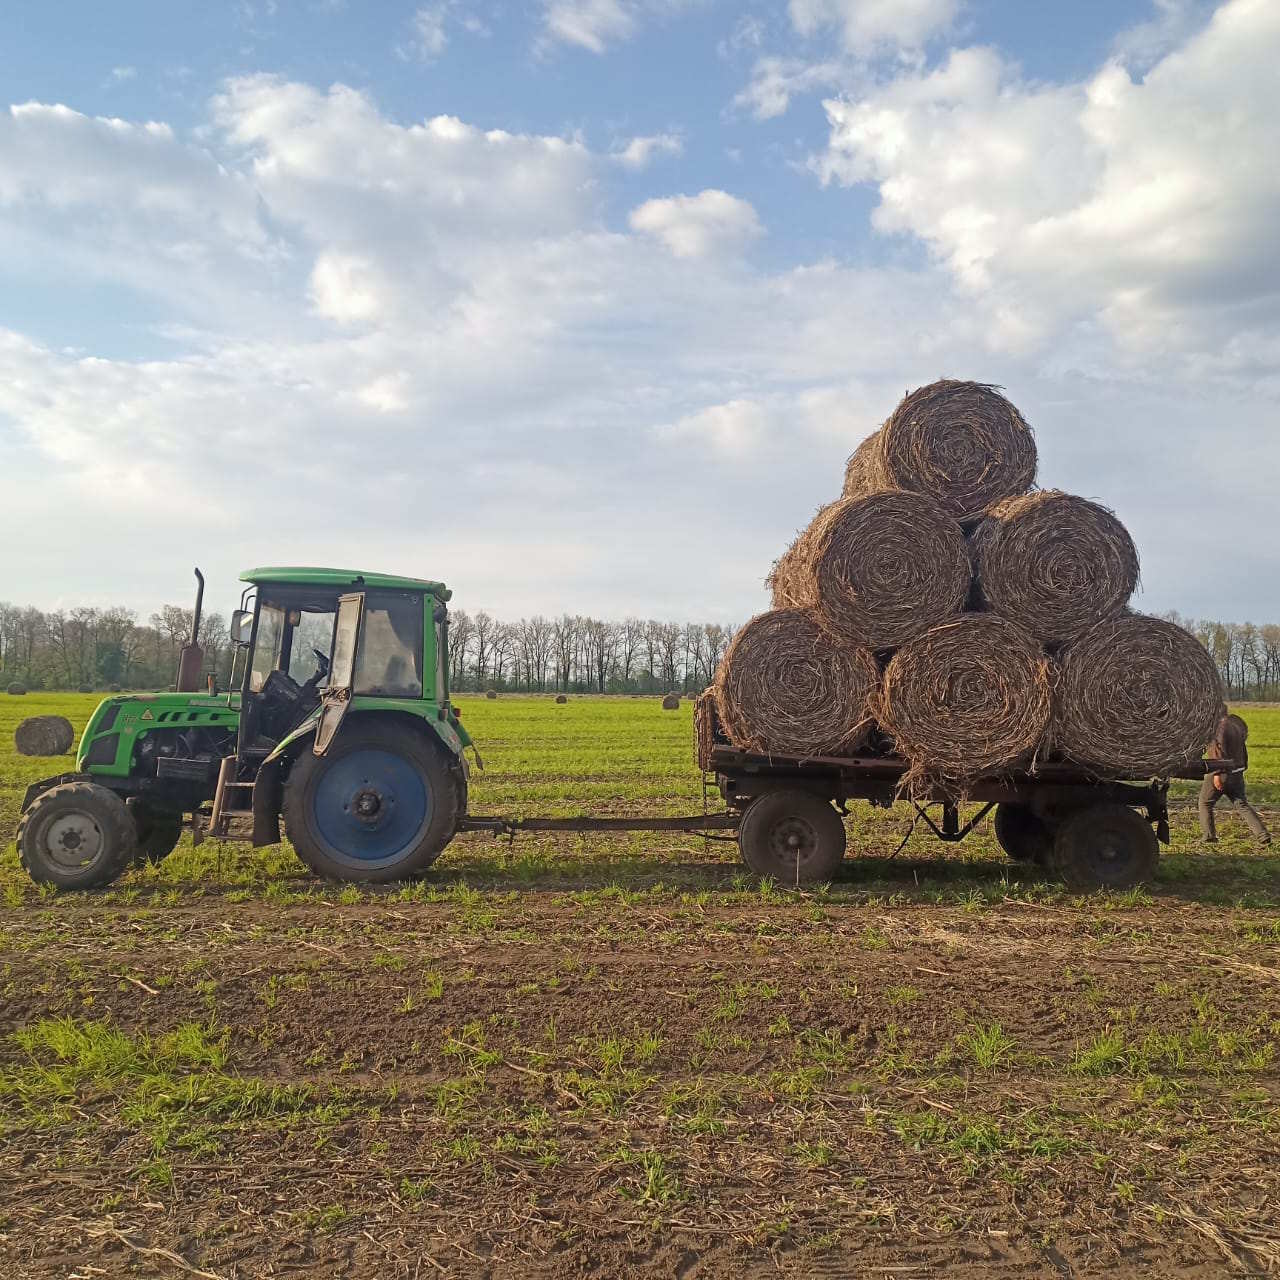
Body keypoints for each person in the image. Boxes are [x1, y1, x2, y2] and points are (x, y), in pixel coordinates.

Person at [1200, 712, 1271, 846]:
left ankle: (1209, 836)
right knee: (1242, 804)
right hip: (1237, 771)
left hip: (1222, 772)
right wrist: (1242, 767)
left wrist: (1217, 774)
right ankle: (1263, 835)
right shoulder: (1235, 725)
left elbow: (1217, 750)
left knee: (1205, 803)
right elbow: (1243, 749)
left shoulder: (1217, 727)